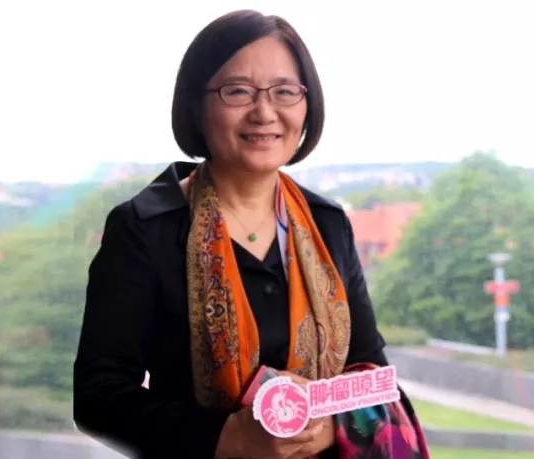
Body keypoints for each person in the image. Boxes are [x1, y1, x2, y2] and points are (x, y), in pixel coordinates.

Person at [72, 9, 430, 459]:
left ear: (306, 105)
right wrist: (229, 437)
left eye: (285, 91)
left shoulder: (327, 223)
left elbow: (371, 373)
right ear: (196, 106)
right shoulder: (145, 228)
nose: (264, 112)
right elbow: (98, 396)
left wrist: (326, 430)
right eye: (237, 91)